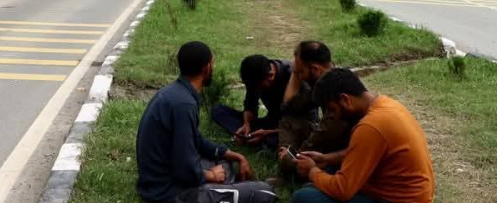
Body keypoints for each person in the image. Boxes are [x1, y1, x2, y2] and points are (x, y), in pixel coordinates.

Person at [136, 42, 277, 203]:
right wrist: (210, 175)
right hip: (169, 192)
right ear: (206, 68)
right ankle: (225, 187)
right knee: (264, 192)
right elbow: (185, 169)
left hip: (166, 176)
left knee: (225, 162)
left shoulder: (175, 92)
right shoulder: (184, 104)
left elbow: (196, 140)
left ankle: (225, 186)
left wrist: (237, 156)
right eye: (212, 63)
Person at [292, 69, 435, 203]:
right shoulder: (387, 104)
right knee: (328, 173)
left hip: (398, 200)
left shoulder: (370, 126)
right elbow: (363, 152)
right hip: (407, 193)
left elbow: (342, 190)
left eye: (332, 110)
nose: (333, 116)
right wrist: (327, 159)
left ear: (345, 99)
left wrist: (312, 171)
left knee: (303, 197)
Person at [276, 42, 351, 174]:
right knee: (288, 122)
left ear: (315, 69)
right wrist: (296, 72)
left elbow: (323, 134)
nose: (300, 77)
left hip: (341, 149)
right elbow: (289, 107)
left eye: (301, 72)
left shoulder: (336, 90)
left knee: (295, 166)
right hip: (327, 137)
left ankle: (289, 165)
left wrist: (293, 157)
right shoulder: (323, 81)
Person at [211, 55, 293, 149]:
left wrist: (268, 133)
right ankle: (251, 136)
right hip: (271, 121)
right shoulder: (256, 77)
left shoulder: (293, 76)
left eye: (260, 87)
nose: (257, 90)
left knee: (279, 140)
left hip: (292, 127)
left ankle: (264, 141)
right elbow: (250, 105)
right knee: (218, 110)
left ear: (270, 76)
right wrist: (247, 124)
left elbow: (303, 124)